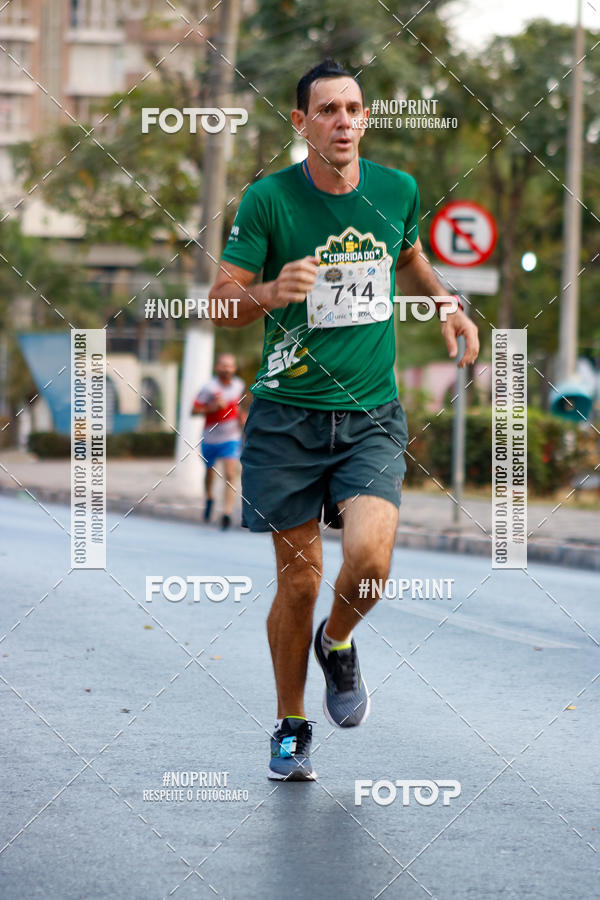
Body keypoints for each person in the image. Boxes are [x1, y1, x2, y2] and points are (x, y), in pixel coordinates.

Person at [209, 59, 479, 780]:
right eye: (326, 110)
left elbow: (411, 254)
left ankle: (338, 641)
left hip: (369, 416)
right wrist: (270, 289)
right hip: (286, 418)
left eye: (353, 109)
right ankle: (291, 723)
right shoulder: (268, 202)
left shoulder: (397, 190)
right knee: (298, 581)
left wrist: (447, 303)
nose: (342, 121)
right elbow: (219, 302)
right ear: (300, 123)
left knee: (370, 560)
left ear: (365, 118)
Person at [191, 353, 245, 531]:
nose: (226, 369)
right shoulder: (208, 387)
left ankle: (227, 513)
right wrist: (212, 407)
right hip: (211, 437)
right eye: (223, 365)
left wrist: (242, 418)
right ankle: (209, 498)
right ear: (217, 368)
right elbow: (194, 410)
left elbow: (238, 406)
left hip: (231, 438)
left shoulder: (239, 385)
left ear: (234, 369)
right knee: (210, 473)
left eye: (230, 366)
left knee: (230, 473)